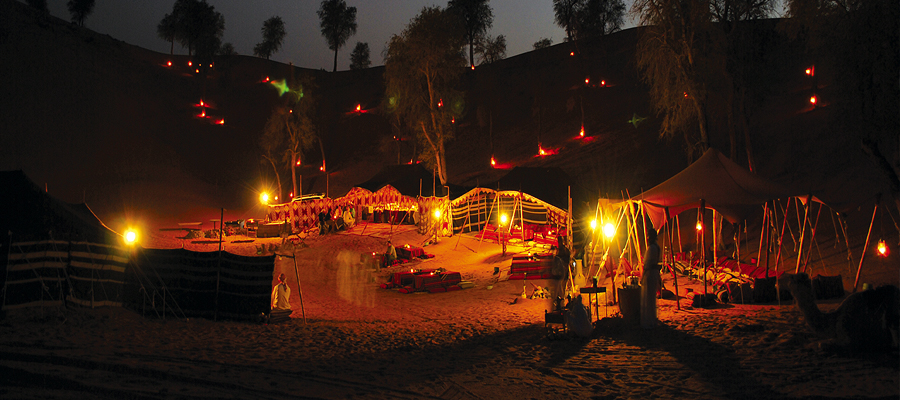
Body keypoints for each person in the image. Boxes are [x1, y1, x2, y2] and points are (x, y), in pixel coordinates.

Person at [641, 229, 661, 328]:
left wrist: (643, 274)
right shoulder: (656, 247)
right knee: (651, 298)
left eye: (649, 236)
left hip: (650, 273)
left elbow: (648, 264)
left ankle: (649, 320)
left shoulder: (652, 248)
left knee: (649, 298)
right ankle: (651, 319)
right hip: (653, 273)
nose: (648, 238)